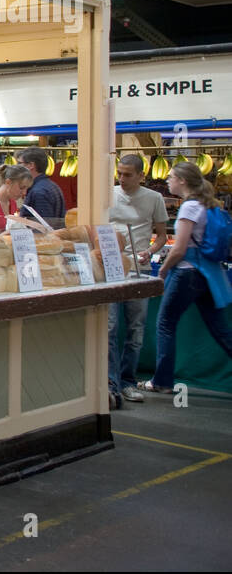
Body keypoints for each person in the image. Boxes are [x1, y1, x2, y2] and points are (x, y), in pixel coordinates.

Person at [143, 162, 232, 395]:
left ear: (182, 180)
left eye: (171, 177)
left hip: (186, 273)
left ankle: (162, 381)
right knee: (221, 329)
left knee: (165, 324)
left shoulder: (189, 207)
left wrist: (163, 270)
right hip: (207, 274)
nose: (167, 180)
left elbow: (179, 248)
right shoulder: (207, 205)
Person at [107, 155, 170, 407]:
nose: (122, 179)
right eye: (119, 173)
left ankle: (128, 381)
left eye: (128, 174)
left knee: (136, 330)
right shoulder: (107, 194)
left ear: (141, 175)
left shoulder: (154, 198)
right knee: (109, 328)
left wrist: (151, 252)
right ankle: (110, 383)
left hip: (140, 270)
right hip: (111, 269)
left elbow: (162, 236)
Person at [18, 147, 65, 227]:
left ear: (31, 165)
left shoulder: (39, 192)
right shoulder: (51, 185)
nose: (17, 167)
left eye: (20, 163)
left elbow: (42, 228)